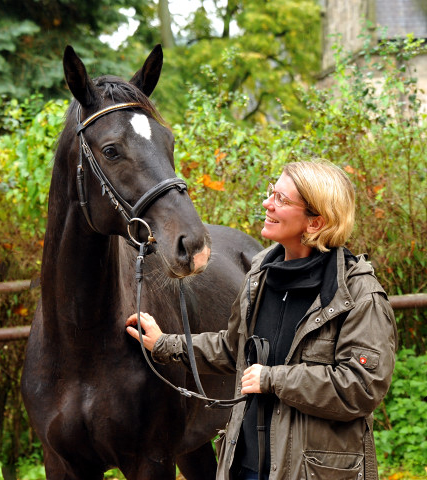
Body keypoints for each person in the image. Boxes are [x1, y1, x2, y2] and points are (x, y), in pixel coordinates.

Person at [126, 159, 397, 480]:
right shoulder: (260, 275)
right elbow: (234, 349)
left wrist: (274, 380)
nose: (267, 203)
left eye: (282, 199)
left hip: (312, 473)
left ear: (315, 223)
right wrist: (165, 344)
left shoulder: (358, 294)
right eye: (272, 192)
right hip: (246, 466)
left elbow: (362, 389)